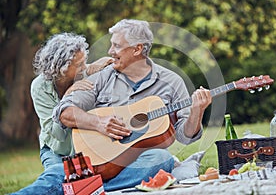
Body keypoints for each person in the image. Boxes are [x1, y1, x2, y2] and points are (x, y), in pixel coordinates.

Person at [53, 19, 212, 192]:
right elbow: (64, 111)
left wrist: (197, 111)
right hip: (99, 160)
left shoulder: (172, 82)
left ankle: (92, 189)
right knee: (54, 174)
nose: (110, 51)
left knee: (162, 159)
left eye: (116, 46)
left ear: (137, 49)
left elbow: (185, 137)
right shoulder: (103, 77)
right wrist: (98, 123)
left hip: (141, 161)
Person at [11, 33, 113, 195]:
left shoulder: (84, 74)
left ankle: (85, 186)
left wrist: (107, 63)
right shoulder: (40, 87)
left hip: (87, 150)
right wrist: (68, 95)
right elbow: (58, 134)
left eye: (85, 62)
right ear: (61, 68)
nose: (84, 68)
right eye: (79, 65)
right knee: (61, 174)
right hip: (57, 151)